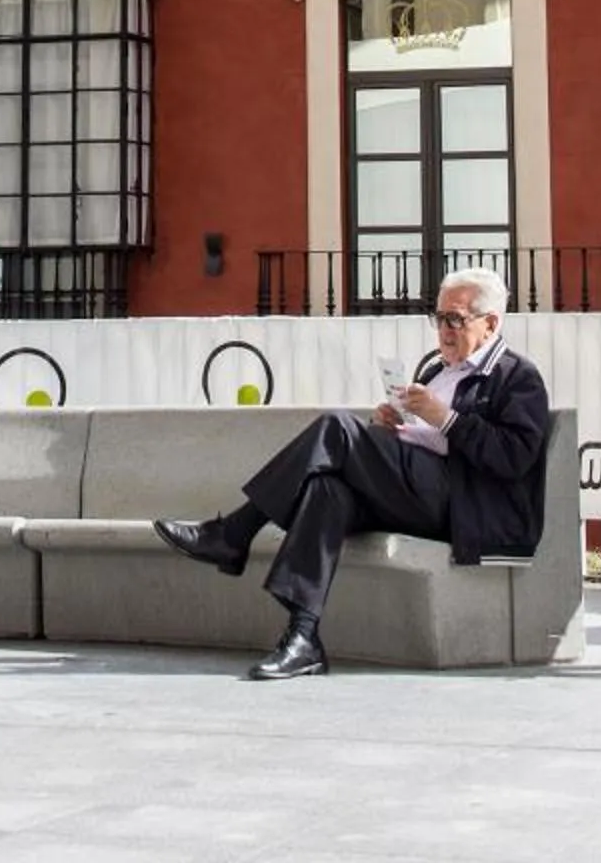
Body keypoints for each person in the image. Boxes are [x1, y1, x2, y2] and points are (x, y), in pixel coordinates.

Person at [152, 266, 551, 680]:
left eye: (456, 319)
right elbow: (426, 439)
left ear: (490, 323)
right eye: (439, 318)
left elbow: (514, 457)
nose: (444, 331)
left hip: (465, 507)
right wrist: (395, 427)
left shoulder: (517, 376)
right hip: (419, 488)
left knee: (337, 427)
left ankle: (235, 533)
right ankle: (303, 637)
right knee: (329, 489)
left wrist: (446, 418)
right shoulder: (438, 372)